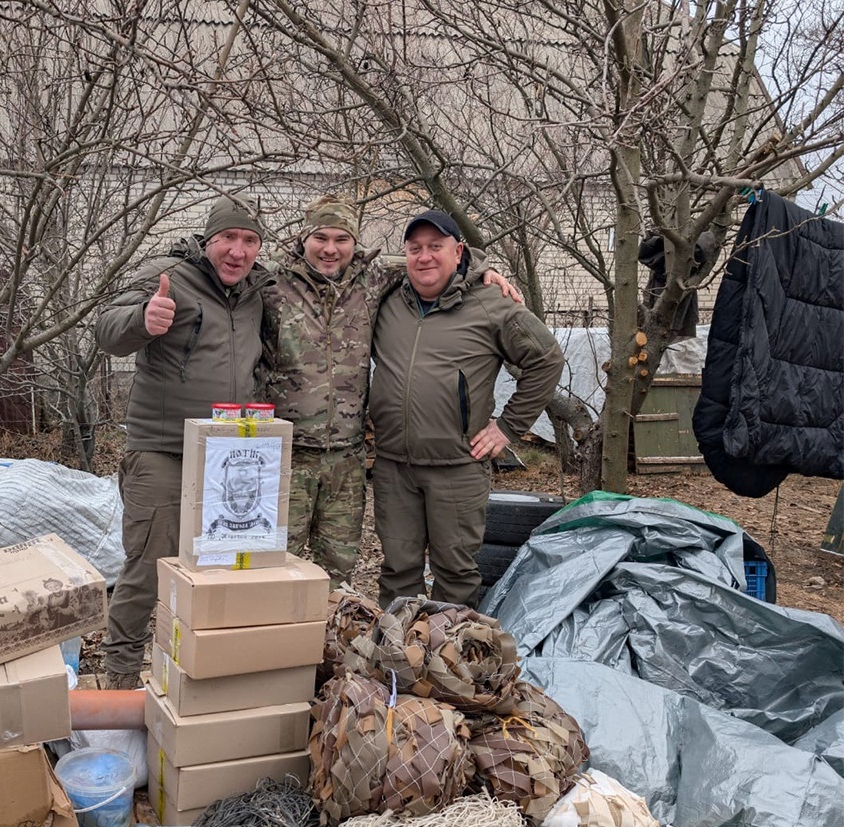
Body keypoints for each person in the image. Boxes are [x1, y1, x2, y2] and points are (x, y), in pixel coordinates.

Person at [262, 196, 521, 585]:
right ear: (303, 239)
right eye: (320, 237)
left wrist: (485, 269)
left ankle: (329, 641)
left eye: (341, 238)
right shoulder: (270, 285)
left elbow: (438, 263)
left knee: (338, 572)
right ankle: (275, 643)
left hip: (347, 460)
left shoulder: (375, 280)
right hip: (286, 456)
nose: (330, 248)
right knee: (276, 566)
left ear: (355, 243)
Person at [95, 194, 272, 689]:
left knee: (219, 571)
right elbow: (107, 331)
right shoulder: (167, 274)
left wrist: (481, 272)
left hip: (229, 458)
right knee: (147, 569)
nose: (238, 251)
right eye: (228, 239)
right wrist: (142, 320)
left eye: (249, 241)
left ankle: (203, 670)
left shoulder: (260, 289)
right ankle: (121, 673)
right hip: (163, 450)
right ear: (208, 239)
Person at [369, 209, 564, 608]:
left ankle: (447, 664)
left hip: (457, 467)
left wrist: (508, 427)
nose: (424, 257)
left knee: (455, 572)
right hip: (393, 467)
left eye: (435, 247)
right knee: (397, 570)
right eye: (415, 248)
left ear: (458, 252)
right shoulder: (385, 297)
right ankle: (395, 662)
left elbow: (546, 358)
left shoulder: (491, 302)